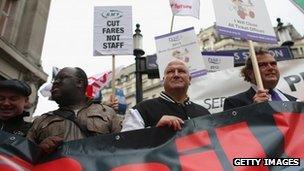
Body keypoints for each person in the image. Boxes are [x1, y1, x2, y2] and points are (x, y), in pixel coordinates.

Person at [27, 67, 122, 154]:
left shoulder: (108, 113)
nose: (55, 82)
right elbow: (24, 158)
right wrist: (39, 150)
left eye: (62, 78)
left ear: (79, 83)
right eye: (55, 80)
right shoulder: (41, 121)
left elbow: (123, 151)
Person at [121, 59, 210, 132]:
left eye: (181, 71)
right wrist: (155, 130)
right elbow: (126, 145)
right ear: (163, 81)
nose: (176, 75)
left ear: (189, 79)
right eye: (170, 71)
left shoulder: (204, 113)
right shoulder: (141, 110)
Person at [223, 48, 297, 111]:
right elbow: (234, 127)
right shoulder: (234, 103)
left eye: (273, 64)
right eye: (263, 65)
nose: (271, 68)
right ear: (250, 73)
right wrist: (255, 109)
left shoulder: (294, 101)